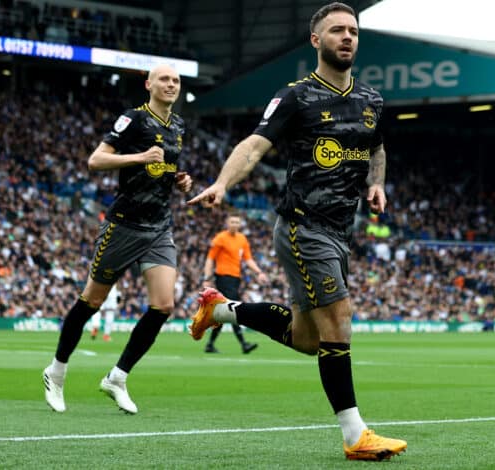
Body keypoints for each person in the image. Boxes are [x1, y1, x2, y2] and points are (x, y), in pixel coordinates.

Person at [186, 2, 406, 461]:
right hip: (303, 226)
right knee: (339, 322)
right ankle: (355, 436)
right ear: (316, 40)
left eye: (353, 31)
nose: (347, 37)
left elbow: (377, 146)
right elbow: (253, 146)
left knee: (309, 340)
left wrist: (378, 182)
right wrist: (223, 183)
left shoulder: (372, 100)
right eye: (337, 31)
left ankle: (222, 310)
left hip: (339, 232)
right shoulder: (296, 97)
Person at [42, 64, 191, 414]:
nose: (171, 85)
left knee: (164, 305)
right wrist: (140, 156)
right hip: (124, 226)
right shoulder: (133, 120)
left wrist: (180, 180)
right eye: (165, 79)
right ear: (149, 84)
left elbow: (161, 172)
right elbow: (96, 160)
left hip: (159, 227)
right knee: (91, 301)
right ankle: (57, 371)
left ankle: (118, 377)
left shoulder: (179, 126)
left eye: (176, 81)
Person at [201, 214, 268, 354]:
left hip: (235, 279)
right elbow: (210, 259)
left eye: (237, 222)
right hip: (223, 278)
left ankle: (210, 345)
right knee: (234, 308)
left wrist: (259, 272)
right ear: (227, 223)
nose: (234, 224)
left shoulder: (242, 239)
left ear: (240, 224)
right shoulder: (220, 238)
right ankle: (244, 344)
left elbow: (248, 259)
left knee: (223, 313)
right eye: (232, 221)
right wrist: (206, 278)